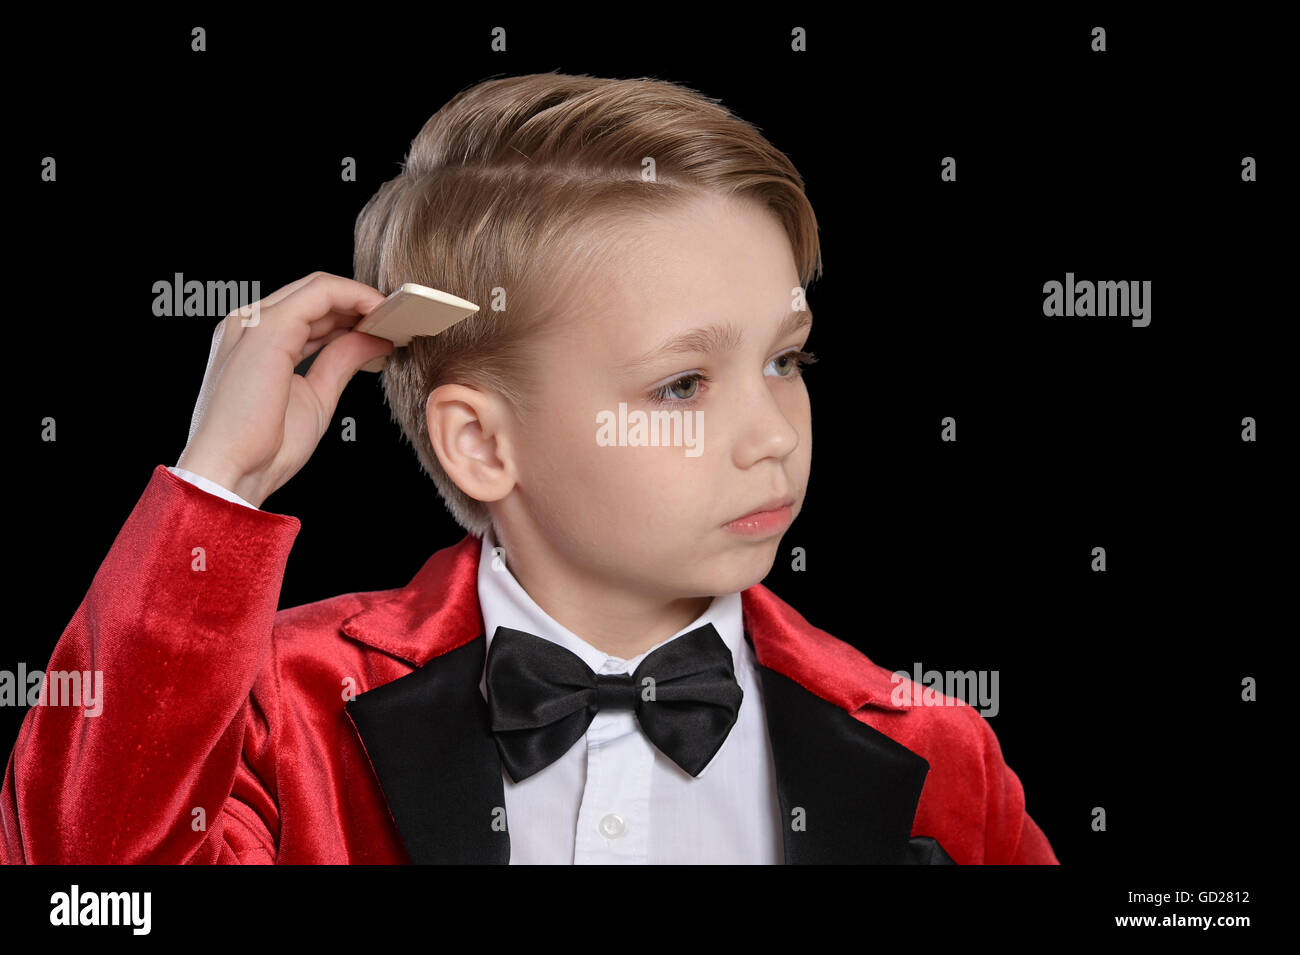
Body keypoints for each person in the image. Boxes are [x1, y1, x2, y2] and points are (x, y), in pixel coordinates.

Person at [0, 72, 1056, 864]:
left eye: (784, 360)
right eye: (681, 384)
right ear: (481, 443)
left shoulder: (932, 745)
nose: (771, 434)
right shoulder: (281, 709)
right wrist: (218, 486)